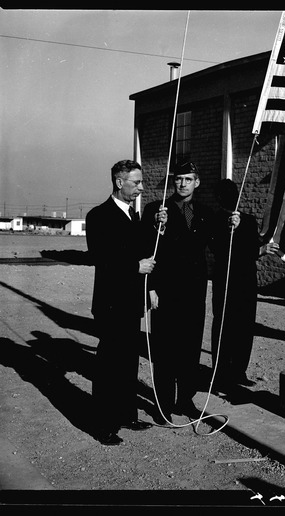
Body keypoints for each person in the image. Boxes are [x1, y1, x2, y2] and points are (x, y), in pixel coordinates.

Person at [86, 159, 167, 445]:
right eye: (136, 183)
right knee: (110, 363)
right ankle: (104, 424)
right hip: (110, 303)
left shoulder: (134, 216)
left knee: (128, 361)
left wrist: (158, 226)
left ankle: (126, 414)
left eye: (141, 182)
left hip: (132, 301)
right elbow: (100, 257)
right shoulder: (98, 216)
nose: (140, 188)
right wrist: (135, 267)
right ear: (119, 182)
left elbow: (146, 250)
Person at [141, 162, 214, 422]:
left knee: (190, 347)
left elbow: (219, 244)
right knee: (164, 348)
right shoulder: (156, 210)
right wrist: (150, 289)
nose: (182, 184)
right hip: (166, 291)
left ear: (197, 182)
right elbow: (146, 249)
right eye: (178, 179)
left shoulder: (206, 212)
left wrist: (234, 226)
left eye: (188, 179)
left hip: (194, 291)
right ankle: (163, 405)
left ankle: (185, 399)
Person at [208, 179, 279, 393]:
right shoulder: (215, 221)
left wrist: (262, 249)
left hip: (246, 281)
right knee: (224, 326)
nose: (228, 198)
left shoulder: (248, 220)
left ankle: (239, 371)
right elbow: (219, 250)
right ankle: (220, 374)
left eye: (232, 193)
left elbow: (252, 247)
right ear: (218, 199)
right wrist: (232, 231)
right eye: (223, 194)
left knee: (245, 327)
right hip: (225, 281)